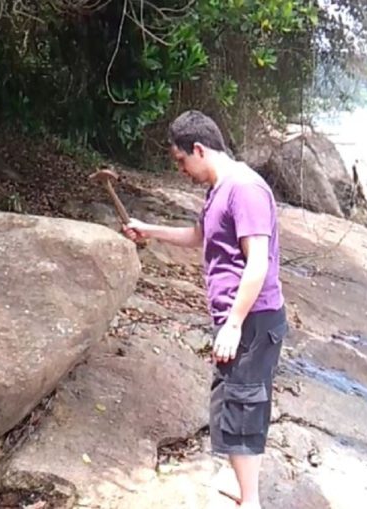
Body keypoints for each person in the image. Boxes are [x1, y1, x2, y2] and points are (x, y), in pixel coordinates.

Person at [123, 110, 288, 509]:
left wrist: (233, 324)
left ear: (199, 148)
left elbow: (258, 263)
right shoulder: (218, 188)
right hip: (237, 317)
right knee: (230, 396)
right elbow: (202, 235)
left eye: (181, 160)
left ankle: (251, 501)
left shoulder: (244, 189)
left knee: (243, 402)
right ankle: (240, 483)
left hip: (252, 317)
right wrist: (151, 230)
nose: (180, 169)